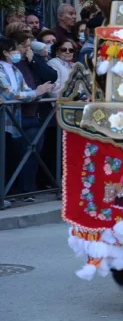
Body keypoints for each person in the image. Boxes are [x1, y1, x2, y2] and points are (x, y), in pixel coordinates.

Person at [0, 38, 54, 206]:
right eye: (14, 50)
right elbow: (11, 95)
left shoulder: (15, 69)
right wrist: (36, 93)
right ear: (6, 52)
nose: (18, 53)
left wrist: (38, 91)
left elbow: (25, 90)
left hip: (13, 121)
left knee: (9, 157)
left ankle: (5, 195)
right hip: (4, 119)